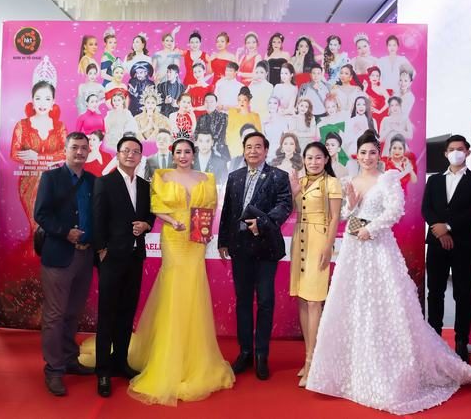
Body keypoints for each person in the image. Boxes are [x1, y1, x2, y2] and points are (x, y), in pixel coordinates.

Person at [306, 131, 471, 415]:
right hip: (354, 250)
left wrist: (371, 229)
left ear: (379, 155)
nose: (368, 158)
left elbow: (395, 211)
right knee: (354, 304)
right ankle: (351, 370)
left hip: (379, 249)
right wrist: (351, 205)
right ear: (356, 155)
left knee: (384, 305)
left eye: (372, 153)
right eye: (363, 153)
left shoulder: (388, 178)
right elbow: (345, 216)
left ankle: (390, 370)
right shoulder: (350, 180)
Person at [127, 138, 235, 405]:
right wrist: (172, 221)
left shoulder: (206, 178)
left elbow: (209, 209)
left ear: (193, 154)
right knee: (174, 290)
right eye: (179, 152)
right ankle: (167, 357)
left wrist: (205, 232)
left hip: (196, 240)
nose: (183, 155)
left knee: (194, 289)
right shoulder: (162, 176)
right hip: (173, 238)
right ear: (173, 155)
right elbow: (155, 207)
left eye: (187, 151)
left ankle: (194, 357)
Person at [218, 132, 293, 380]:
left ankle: (261, 354)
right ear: (244, 150)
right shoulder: (235, 176)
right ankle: (245, 352)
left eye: (258, 147)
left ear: (266, 150)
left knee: (265, 301)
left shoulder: (278, 176)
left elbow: (285, 205)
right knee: (242, 301)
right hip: (240, 248)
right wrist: (223, 241)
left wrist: (262, 223)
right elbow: (228, 210)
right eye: (249, 147)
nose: (253, 151)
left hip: (266, 248)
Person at [34, 132, 96, 396]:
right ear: (65, 150)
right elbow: (41, 214)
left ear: (89, 151)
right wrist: (64, 232)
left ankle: (70, 359)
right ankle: (54, 369)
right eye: (75, 147)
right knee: (55, 315)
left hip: (85, 256)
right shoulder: (51, 178)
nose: (79, 152)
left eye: (84, 148)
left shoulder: (93, 181)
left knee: (73, 312)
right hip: (59, 255)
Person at [93, 136, 156, 397]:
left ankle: (120, 361)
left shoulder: (144, 185)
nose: (131, 155)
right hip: (111, 258)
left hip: (135, 257)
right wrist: (101, 250)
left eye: (135, 151)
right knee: (107, 314)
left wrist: (146, 224)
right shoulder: (104, 182)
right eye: (126, 150)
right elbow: (97, 218)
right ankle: (103, 370)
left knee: (127, 312)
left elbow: (150, 213)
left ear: (141, 156)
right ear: (118, 154)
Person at [421, 135, 471, 363]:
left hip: (464, 245)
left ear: (468, 152)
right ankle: (434, 340)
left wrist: (448, 227)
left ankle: (461, 342)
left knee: (463, 294)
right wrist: (440, 231)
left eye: (460, 148)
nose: (456, 152)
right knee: (435, 292)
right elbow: (426, 209)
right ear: (445, 153)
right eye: (451, 149)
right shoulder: (434, 180)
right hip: (436, 244)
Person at [288, 142, 342, 387]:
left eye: (318, 157)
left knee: (314, 301)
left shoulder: (332, 183)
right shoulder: (300, 182)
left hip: (319, 241)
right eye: (309, 158)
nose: (313, 162)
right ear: (304, 160)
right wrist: (293, 192)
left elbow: (335, 217)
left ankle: (314, 361)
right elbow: (292, 210)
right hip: (299, 240)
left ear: (326, 159)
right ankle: (307, 357)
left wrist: (328, 247)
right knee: (302, 299)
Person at [10, 56, 67, 233]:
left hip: (55, 182)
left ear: (53, 102)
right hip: (29, 181)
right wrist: (45, 160)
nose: (42, 103)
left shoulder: (60, 126)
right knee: (36, 226)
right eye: (38, 98)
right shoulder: (22, 125)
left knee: (53, 225)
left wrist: (38, 157)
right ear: (32, 100)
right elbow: (14, 153)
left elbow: (65, 153)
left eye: (47, 99)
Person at [226, 86, 262, 158]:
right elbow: (228, 133)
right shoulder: (232, 113)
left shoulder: (255, 116)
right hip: (234, 149)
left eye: (244, 100)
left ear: (249, 101)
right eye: (239, 100)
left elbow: (259, 135)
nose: (241, 102)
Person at [196, 93, 230, 161]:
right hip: (202, 151)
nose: (209, 104)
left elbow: (220, 136)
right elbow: (196, 134)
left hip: (219, 152)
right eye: (206, 102)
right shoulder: (201, 118)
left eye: (211, 101)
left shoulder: (223, 117)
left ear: (216, 103)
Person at [263, 96, 289, 160]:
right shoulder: (264, 119)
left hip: (278, 152)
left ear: (278, 106)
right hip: (266, 152)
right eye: (270, 103)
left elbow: (287, 137)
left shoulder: (283, 120)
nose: (272, 105)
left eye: (275, 103)